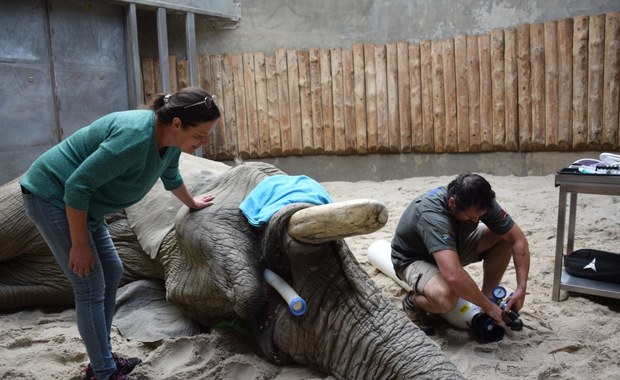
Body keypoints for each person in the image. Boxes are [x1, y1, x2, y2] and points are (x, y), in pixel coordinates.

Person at [19, 87, 221, 380]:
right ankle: (104, 372)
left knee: (112, 270)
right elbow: (76, 187)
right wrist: (79, 246)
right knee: (89, 285)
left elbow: (171, 176)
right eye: (200, 135)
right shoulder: (134, 139)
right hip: (52, 196)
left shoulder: (172, 142)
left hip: (88, 206)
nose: (203, 143)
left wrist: (192, 202)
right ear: (177, 123)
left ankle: (102, 359)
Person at [391, 173, 530, 333]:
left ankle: (489, 296)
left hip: (451, 247)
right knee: (445, 298)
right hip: (413, 258)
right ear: (452, 202)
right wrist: (488, 307)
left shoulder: (479, 201)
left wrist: (521, 288)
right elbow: (453, 275)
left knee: (504, 237)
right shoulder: (432, 214)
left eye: (480, 217)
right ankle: (413, 302)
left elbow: (518, 240)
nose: (475, 221)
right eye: (471, 217)